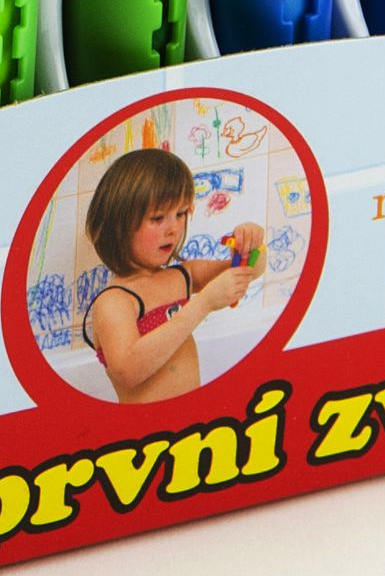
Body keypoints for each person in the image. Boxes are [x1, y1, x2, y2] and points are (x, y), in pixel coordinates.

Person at [79, 146, 259, 403]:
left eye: (181, 213)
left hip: (191, 421)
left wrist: (250, 243)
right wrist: (203, 304)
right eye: (157, 218)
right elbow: (128, 371)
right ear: (118, 225)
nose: (173, 228)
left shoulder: (183, 276)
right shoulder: (114, 301)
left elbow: (249, 270)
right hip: (147, 427)